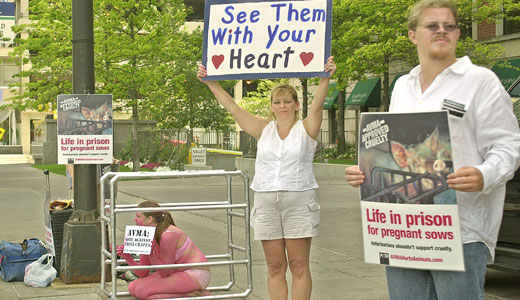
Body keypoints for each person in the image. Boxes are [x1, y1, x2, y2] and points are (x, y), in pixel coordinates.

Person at [345, 0, 520, 299]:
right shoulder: (403, 86)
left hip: (461, 231)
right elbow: (394, 150)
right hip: (401, 230)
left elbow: (508, 146)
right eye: (432, 26)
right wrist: (363, 172)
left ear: (458, 33)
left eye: (449, 26)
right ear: (413, 35)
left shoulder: (481, 82)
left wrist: (484, 174)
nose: (442, 31)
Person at [198, 57, 336, 300]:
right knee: (275, 266)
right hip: (265, 202)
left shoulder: (306, 129)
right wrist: (211, 83)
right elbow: (234, 108)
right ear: (271, 106)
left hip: (298, 201)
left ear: (296, 105)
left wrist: (325, 78)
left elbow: (317, 106)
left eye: (287, 102)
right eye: (277, 102)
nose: (282, 106)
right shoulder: (264, 129)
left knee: (298, 265)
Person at [116, 200, 211, 299]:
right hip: (177, 273)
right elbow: (142, 273)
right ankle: (188, 293)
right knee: (132, 287)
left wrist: (151, 254)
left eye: (138, 216)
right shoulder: (148, 234)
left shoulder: (168, 234)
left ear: (149, 219)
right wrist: (127, 257)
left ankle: (193, 294)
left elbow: (166, 272)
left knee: (143, 293)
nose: (135, 220)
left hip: (195, 274)